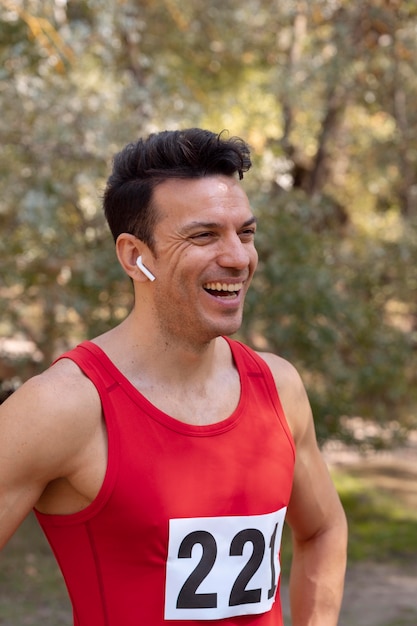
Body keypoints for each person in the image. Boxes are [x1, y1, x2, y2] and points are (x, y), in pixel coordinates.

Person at [0, 128, 347, 625]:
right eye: (204, 235)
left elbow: (323, 530)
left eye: (245, 233)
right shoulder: (63, 406)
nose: (238, 257)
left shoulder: (279, 388)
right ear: (133, 256)